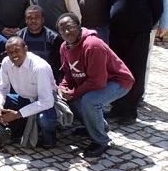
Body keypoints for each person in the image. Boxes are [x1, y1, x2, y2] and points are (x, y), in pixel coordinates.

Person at [56, 13, 134, 157]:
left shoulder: (92, 45)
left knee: (90, 101)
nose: (67, 32)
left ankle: (101, 141)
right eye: (62, 30)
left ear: (79, 26)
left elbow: (98, 81)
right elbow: (69, 73)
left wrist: (74, 93)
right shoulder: (64, 47)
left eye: (70, 27)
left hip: (118, 81)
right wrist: (63, 88)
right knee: (68, 99)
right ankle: (96, 127)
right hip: (95, 81)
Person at [107, 0, 163, 125]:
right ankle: (117, 107)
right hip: (117, 35)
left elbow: (157, 9)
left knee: (135, 73)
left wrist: (142, 26)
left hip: (137, 36)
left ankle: (129, 112)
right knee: (117, 72)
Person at [0, 36, 57, 148]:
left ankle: (48, 138)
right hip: (24, 99)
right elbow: (0, 88)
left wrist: (17, 114)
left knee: (44, 120)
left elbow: (47, 101)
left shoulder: (39, 67)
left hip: (45, 102)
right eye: (10, 52)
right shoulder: (6, 62)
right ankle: (16, 131)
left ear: (26, 49)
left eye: (17, 50)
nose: (14, 55)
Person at [135, 0, 168, 104]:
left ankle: (140, 93)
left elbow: (164, 1)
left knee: (144, 60)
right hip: (127, 26)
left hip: (149, 25)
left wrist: (164, 24)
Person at [17, 5, 63, 83]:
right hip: (24, 78)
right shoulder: (18, 38)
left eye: (37, 17)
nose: (33, 21)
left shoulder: (54, 38)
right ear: (26, 20)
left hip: (47, 78)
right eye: (29, 18)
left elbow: (57, 65)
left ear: (42, 19)